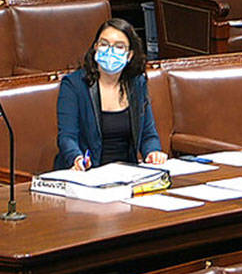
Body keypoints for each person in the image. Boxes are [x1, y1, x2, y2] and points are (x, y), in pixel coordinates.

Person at [54, 18, 168, 170]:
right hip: (86, 173)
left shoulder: (137, 83)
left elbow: (148, 134)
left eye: (119, 46)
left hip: (127, 173)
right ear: (95, 48)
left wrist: (153, 152)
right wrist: (76, 158)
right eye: (104, 44)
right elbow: (67, 136)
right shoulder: (74, 85)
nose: (110, 51)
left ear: (129, 55)